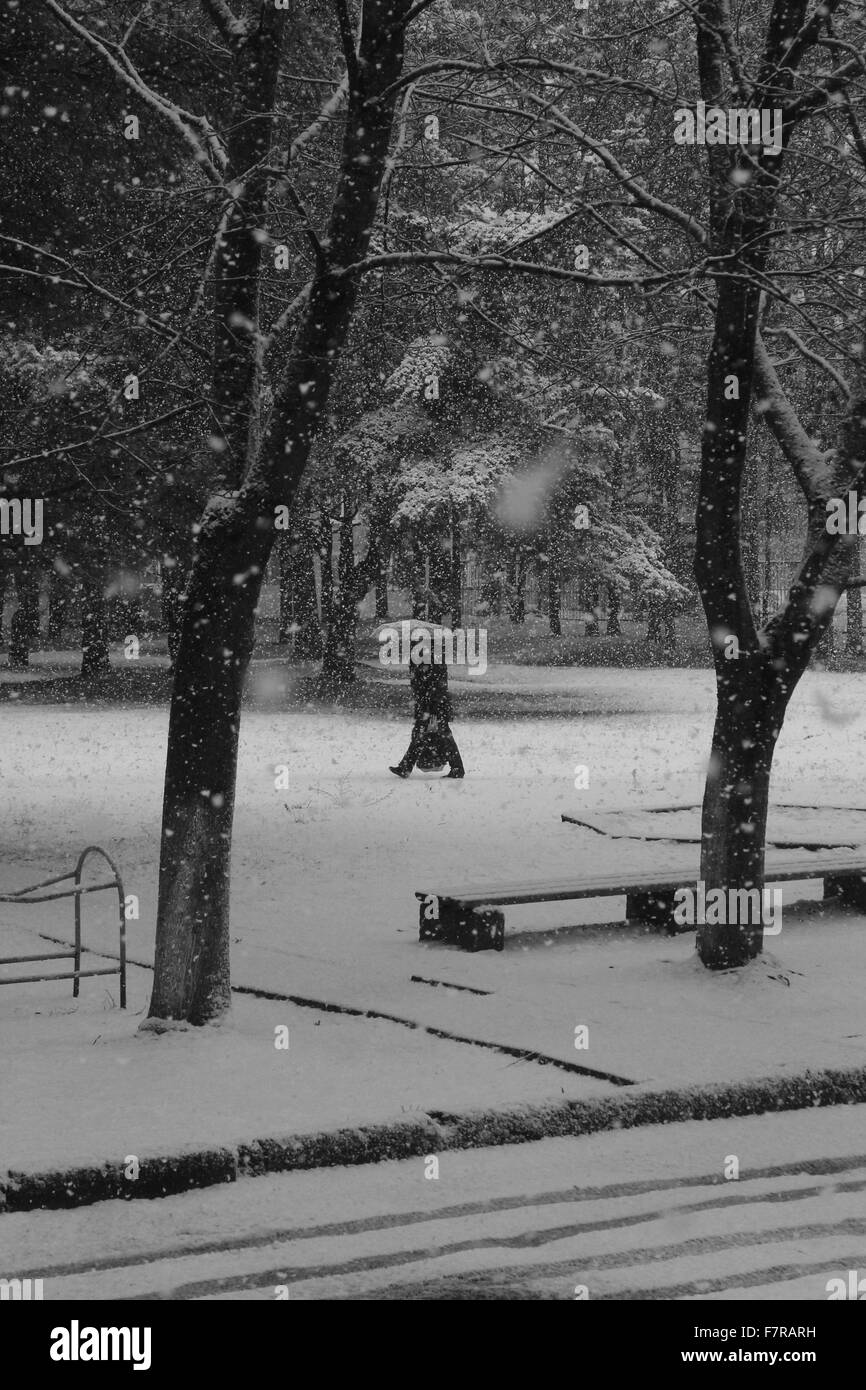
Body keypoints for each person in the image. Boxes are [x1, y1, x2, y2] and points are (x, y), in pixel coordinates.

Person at [390, 640, 465, 778]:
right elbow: (421, 685)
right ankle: (406, 767)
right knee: (427, 735)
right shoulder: (424, 659)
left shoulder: (432, 661)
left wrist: (434, 710)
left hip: (434, 706)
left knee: (435, 735)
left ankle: (406, 767)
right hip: (430, 706)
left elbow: (435, 687)